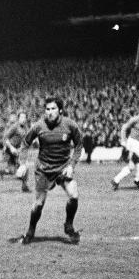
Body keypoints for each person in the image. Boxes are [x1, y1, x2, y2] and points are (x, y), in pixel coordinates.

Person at [19, 96, 83, 245]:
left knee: (74, 195)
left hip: (62, 168)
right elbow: (25, 143)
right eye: (47, 109)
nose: (50, 112)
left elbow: (79, 146)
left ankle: (68, 225)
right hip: (43, 169)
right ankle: (30, 231)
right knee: (38, 204)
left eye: (53, 109)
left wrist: (71, 166)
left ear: (60, 110)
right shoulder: (38, 126)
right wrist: (22, 163)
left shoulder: (70, 125)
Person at [111, 105, 139, 191]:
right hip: (132, 142)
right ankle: (137, 180)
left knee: (133, 166)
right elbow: (124, 128)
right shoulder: (135, 119)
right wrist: (123, 140)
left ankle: (116, 180)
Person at [0, 112, 30, 192]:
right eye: (21, 117)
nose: (23, 119)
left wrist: (20, 148)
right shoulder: (15, 127)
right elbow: (5, 138)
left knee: (22, 168)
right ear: (18, 118)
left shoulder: (25, 128)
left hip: (17, 152)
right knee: (14, 170)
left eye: (25, 118)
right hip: (10, 151)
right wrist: (11, 148)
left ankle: (24, 187)